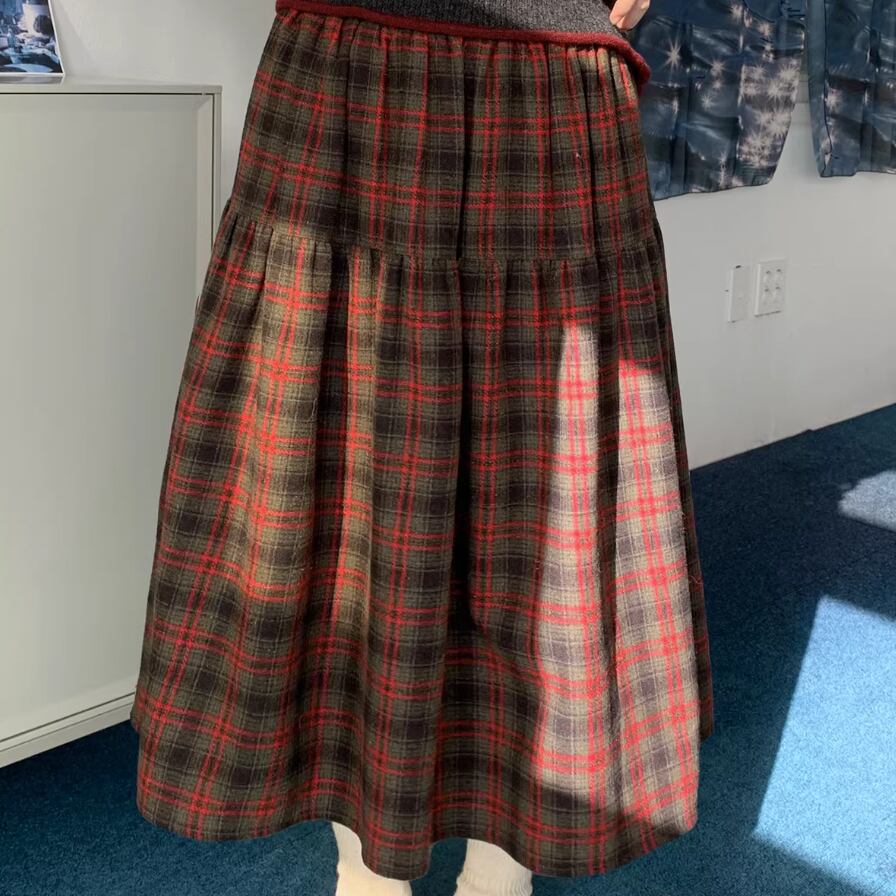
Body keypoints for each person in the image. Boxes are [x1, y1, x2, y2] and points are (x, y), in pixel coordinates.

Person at [129, 1, 714, 894]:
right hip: (348, 61)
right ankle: (365, 872)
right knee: (338, 466)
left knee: (549, 485)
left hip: (553, 68)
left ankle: (501, 871)